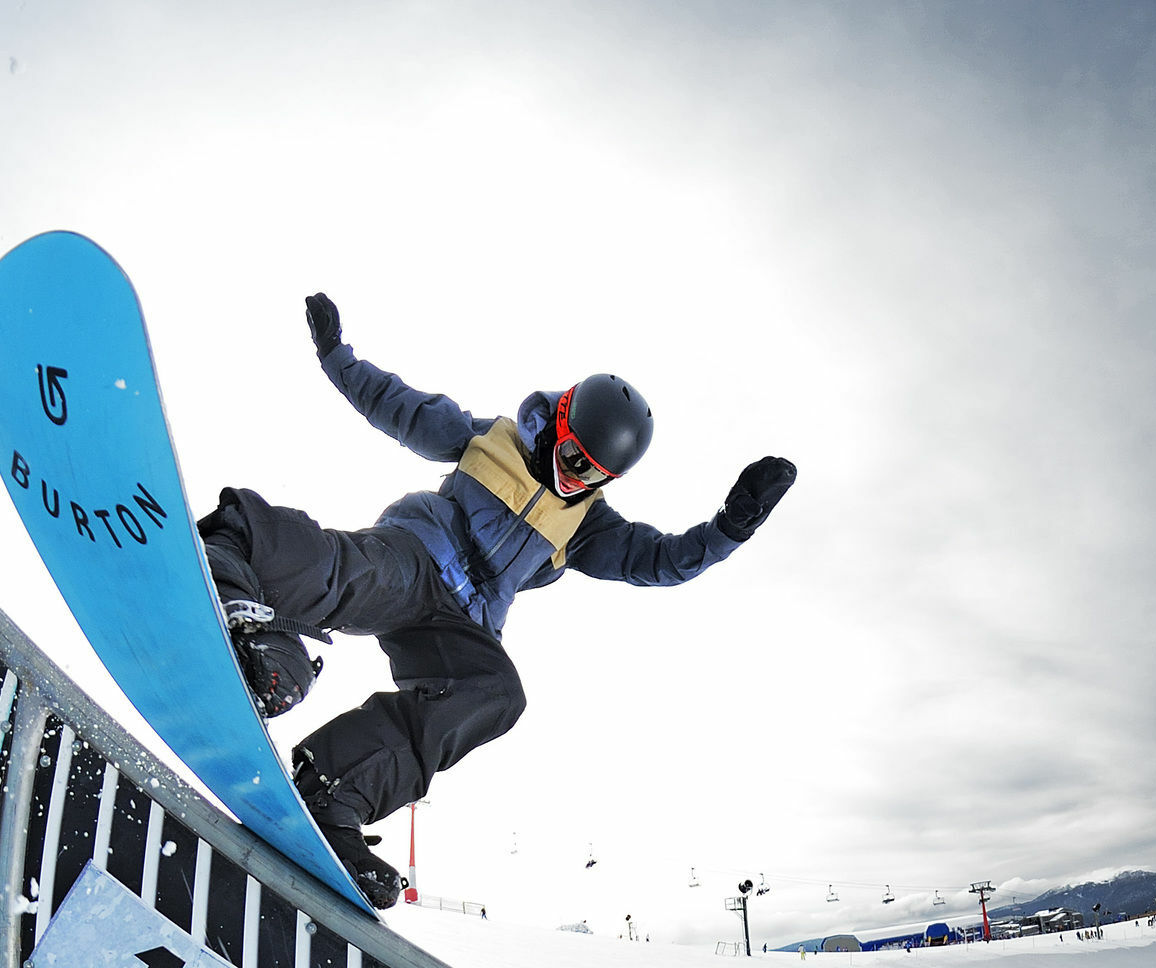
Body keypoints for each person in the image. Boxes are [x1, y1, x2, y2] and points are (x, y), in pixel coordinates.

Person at [200, 294, 797, 906]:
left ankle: (333, 792)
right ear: (557, 422)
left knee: (495, 695)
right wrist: (335, 355)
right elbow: (395, 404)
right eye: (570, 458)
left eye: (592, 476)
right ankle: (234, 559)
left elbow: (662, 561)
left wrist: (731, 526)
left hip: (464, 623)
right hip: (418, 557)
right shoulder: (488, 439)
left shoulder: (587, 525)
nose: (573, 480)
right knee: (344, 573)